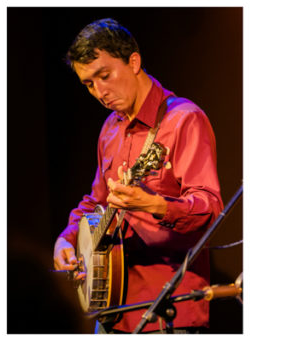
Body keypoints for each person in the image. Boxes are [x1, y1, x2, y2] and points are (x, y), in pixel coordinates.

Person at [52, 18, 223, 333]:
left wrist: (155, 205)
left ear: (134, 61)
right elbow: (98, 201)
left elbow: (209, 207)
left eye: (105, 75)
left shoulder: (184, 119)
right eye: (89, 84)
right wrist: (67, 237)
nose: (100, 92)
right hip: (110, 307)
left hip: (167, 310)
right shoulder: (109, 128)